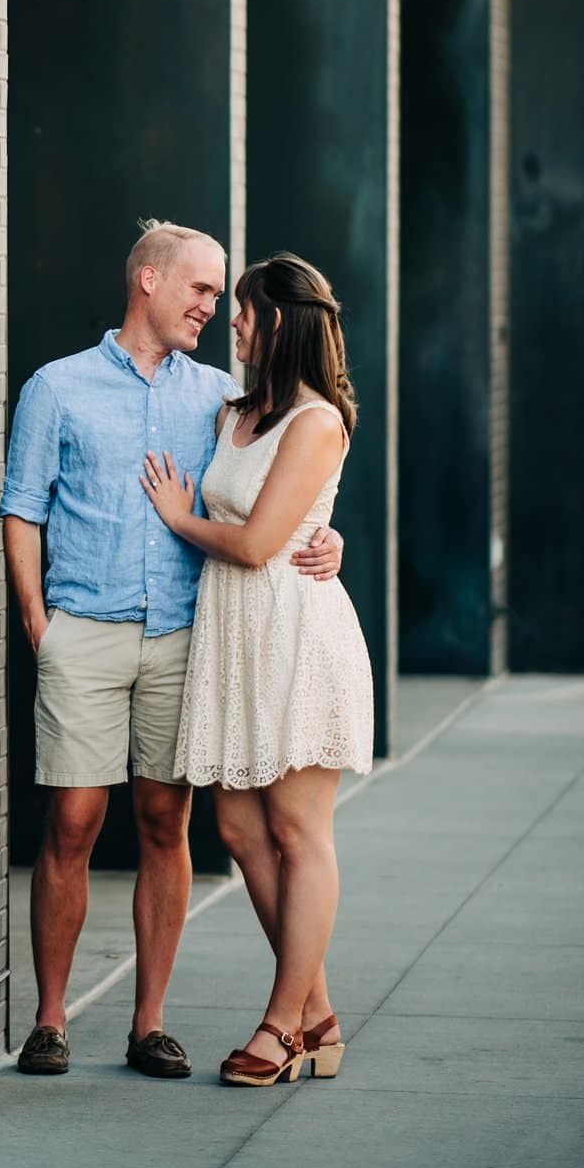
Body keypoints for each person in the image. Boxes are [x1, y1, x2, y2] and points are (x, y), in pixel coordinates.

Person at [1, 221, 345, 1079]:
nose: (212, 308)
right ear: (148, 282)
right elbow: (21, 508)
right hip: (84, 629)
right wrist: (39, 624)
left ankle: (147, 1023)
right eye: (200, 289)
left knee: (169, 821)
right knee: (73, 822)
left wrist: (325, 535)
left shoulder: (219, 399)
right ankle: (49, 1020)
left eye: (225, 297)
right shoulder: (58, 386)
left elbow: (271, 497)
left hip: (189, 638)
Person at [140, 251, 373, 1087]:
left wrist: (176, 516)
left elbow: (252, 541)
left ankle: (281, 1025)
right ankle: (318, 1016)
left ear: (276, 321)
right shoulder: (236, 411)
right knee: (238, 830)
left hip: (294, 633)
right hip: (233, 633)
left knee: (297, 833)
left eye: (241, 309)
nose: (230, 322)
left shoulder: (316, 421)